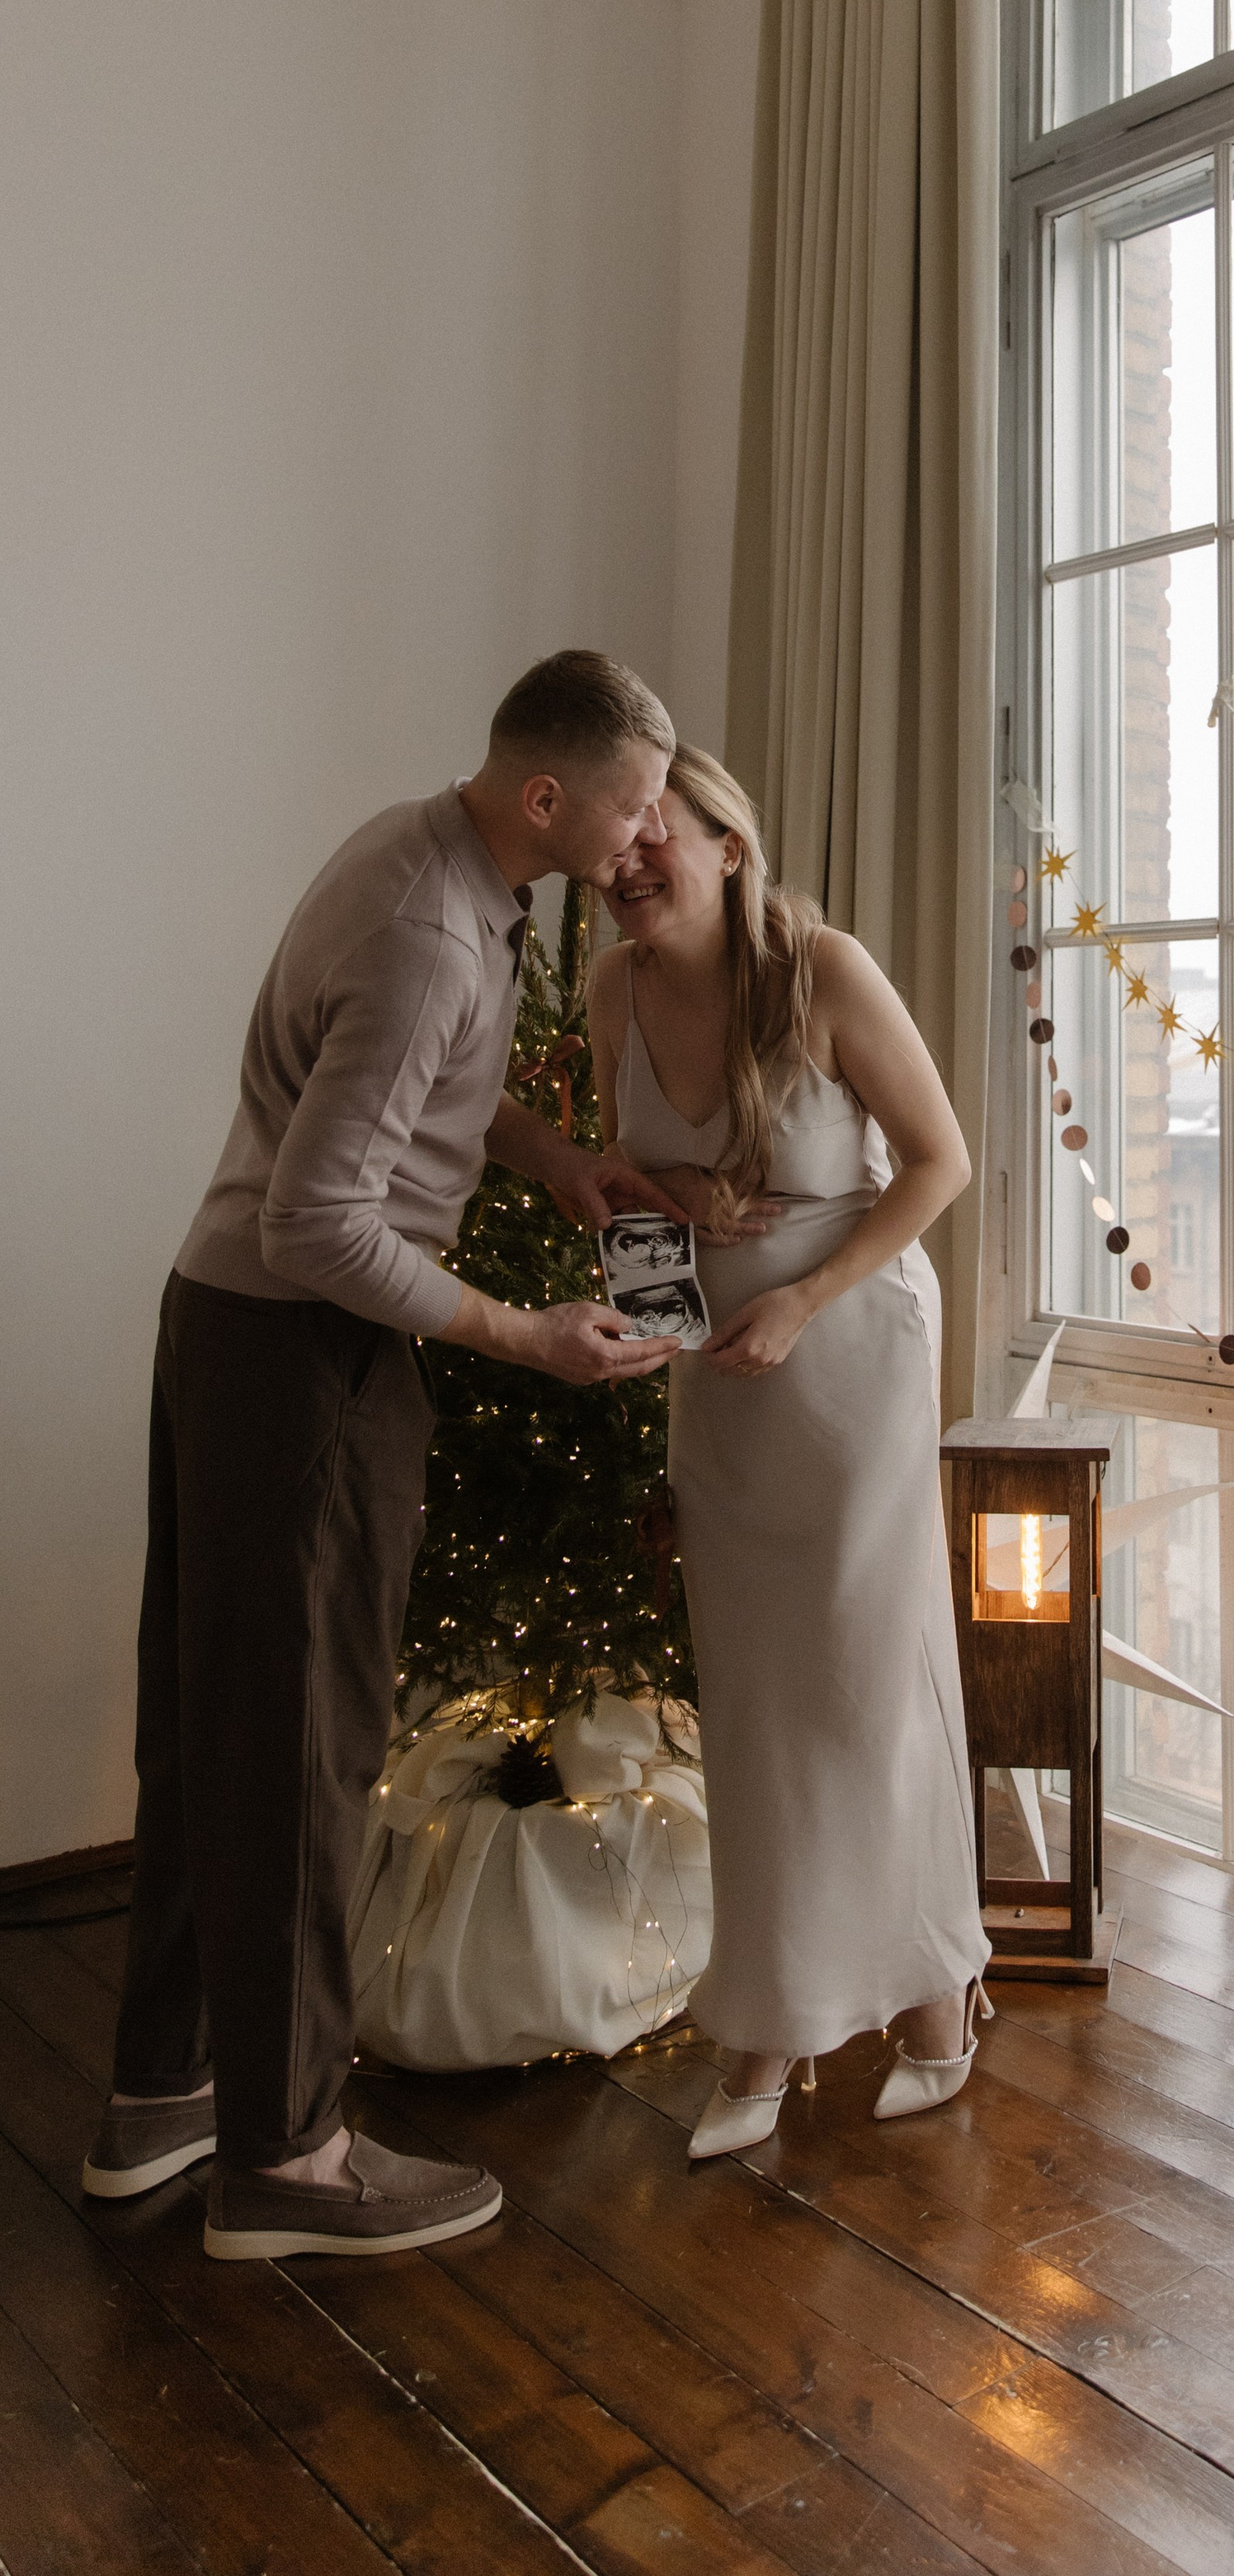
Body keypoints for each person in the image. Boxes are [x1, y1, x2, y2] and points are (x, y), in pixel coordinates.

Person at [86, 650, 694, 2258]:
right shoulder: (436, 930)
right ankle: (285, 2164)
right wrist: (522, 1333)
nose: (651, 840)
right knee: (294, 1748)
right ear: (551, 796)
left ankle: (164, 2098)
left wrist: (552, 1155)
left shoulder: (434, 859)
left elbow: (423, 1085)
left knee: (209, 1725)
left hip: (232, 1338)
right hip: (298, 1357)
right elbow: (317, 1222)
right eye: (636, 805)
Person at [586, 745, 991, 2158]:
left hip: (850, 1352)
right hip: (717, 1377)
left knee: (866, 1688)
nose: (630, 858)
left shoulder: (821, 970)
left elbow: (942, 1160)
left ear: (729, 842)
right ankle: (801, 2014)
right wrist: (663, 1245)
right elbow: (618, 1190)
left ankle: (905, 2002)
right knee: (758, 1705)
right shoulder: (611, 989)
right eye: (617, 835)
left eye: (660, 834)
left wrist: (806, 1302)